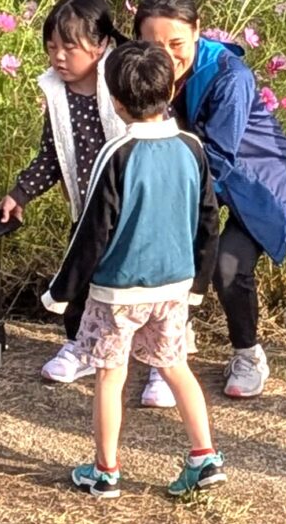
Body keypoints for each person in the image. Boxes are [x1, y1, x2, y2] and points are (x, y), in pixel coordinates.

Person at [42, 39, 226, 500]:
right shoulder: (192, 147)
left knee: (110, 374)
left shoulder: (116, 152)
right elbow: (208, 219)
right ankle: (204, 455)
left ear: (115, 100)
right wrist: (199, 285)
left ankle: (105, 471)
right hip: (175, 285)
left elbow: (92, 231)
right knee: (176, 365)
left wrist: (61, 291)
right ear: (171, 87)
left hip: (118, 291)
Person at [131, 0, 286, 402]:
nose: (167, 56)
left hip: (258, 185)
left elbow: (218, 158)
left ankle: (248, 354)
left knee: (227, 266)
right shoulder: (141, 69)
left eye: (177, 44)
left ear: (197, 32)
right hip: (196, 173)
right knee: (173, 252)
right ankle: (170, 349)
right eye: (153, 45)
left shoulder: (230, 76)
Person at [0, 0, 130, 382]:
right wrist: (20, 193)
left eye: (70, 47)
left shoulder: (123, 80)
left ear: (102, 44)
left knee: (140, 289)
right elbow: (51, 156)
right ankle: (80, 346)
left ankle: (159, 363)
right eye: (51, 46)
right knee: (79, 279)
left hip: (134, 209)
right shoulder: (58, 93)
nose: (58, 57)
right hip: (88, 210)